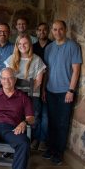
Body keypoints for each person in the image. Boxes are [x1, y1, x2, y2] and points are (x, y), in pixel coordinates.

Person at [43, 20, 82, 165]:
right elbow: (46, 71)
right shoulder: (49, 48)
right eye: (54, 29)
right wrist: (43, 89)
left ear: (65, 30)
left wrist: (71, 90)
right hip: (51, 90)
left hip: (65, 92)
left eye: (60, 29)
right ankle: (51, 148)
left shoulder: (73, 46)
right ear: (51, 31)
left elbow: (76, 70)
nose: (57, 32)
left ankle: (58, 152)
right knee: (51, 122)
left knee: (62, 123)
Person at [4, 34, 47, 150]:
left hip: (32, 95)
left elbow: (38, 81)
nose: (22, 46)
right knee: (14, 119)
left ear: (30, 44)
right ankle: (14, 145)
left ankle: (27, 143)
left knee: (32, 119)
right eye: (20, 44)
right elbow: (6, 77)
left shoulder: (37, 59)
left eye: (25, 43)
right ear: (17, 45)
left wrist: (26, 91)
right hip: (15, 96)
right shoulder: (12, 59)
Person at [32, 23, 52, 151]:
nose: (42, 32)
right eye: (39, 30)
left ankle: (43, 140)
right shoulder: (32, 47)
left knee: (45, 115)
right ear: (36, 32)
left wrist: (44, 88)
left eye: (45, 30)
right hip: (34, 86)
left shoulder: (52, 46)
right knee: (35, 115)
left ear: (48, 31)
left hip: (47, 83)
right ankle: (35, 139)